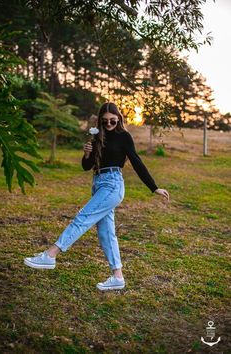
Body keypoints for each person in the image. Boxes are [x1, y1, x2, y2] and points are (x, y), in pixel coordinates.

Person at [24, 102, 170, 291]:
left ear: (119, 119)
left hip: (112, 184)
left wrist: (154, 187)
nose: (109, 124)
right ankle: (117, 276)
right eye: (105, 121)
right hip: (99, 183)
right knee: (106, 233)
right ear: (100, 121)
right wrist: (86, 155)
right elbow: (87, 167)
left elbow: (137, 162)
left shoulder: (124, 137)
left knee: (83, 217)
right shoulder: (97, 137)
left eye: (113, 120)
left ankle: (50, 255)